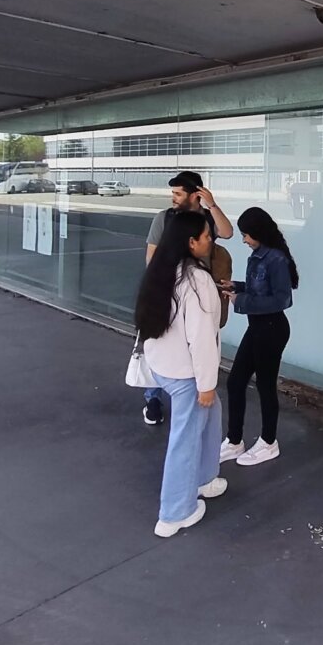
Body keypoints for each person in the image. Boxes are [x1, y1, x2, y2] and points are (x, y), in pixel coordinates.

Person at [135, 210, 227, 537]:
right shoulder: (196, 280)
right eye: (206, 236)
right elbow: (201, 339)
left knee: (212, 412)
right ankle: (175, 513)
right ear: (191, 242)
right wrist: (206, 384)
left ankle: (204, 478)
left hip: (164, 365)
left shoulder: (163, 269)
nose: (211, 240)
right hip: (186, 373)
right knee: (185, 439)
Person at [141, 171, 234, 427]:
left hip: (198, 289)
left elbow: (226, 232)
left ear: (195, 195)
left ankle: (194, 385)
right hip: (169, 289)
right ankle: (153, 398)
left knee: (195, 340)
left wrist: (211, 204)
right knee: (163, 340)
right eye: (173, 193)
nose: (173, 198)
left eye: (178, 193)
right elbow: (151, 256)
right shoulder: (164, 218)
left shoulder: (204, 221)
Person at [218, 208, 298, 467]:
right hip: (258, 328)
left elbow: (282, 299)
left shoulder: (276, 259)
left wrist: (242, 300)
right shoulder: (259, 255)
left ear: (258, 233)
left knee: (265, 386)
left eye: (246, 235)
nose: (244, 240)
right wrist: (237, 286)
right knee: (235, 382)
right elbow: (260, 289)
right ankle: (234, 440)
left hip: (272, 329)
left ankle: (268, 442)